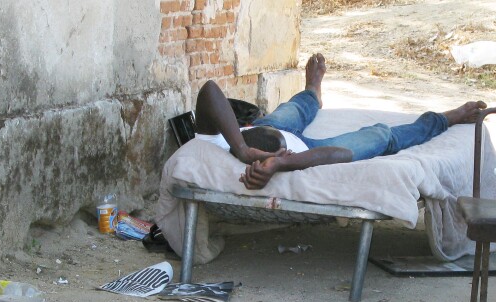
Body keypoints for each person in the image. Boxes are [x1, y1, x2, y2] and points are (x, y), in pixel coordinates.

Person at [194, 53, 487, 190]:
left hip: (263, 127)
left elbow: (209, 91)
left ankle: (312, 91)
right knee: (381, 137)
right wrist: (282, 163)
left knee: (297, 106)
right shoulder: (217, 156)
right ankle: (446, 118)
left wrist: (243, 148)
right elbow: (333, 155)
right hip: (303, 148)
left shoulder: (219, 140)